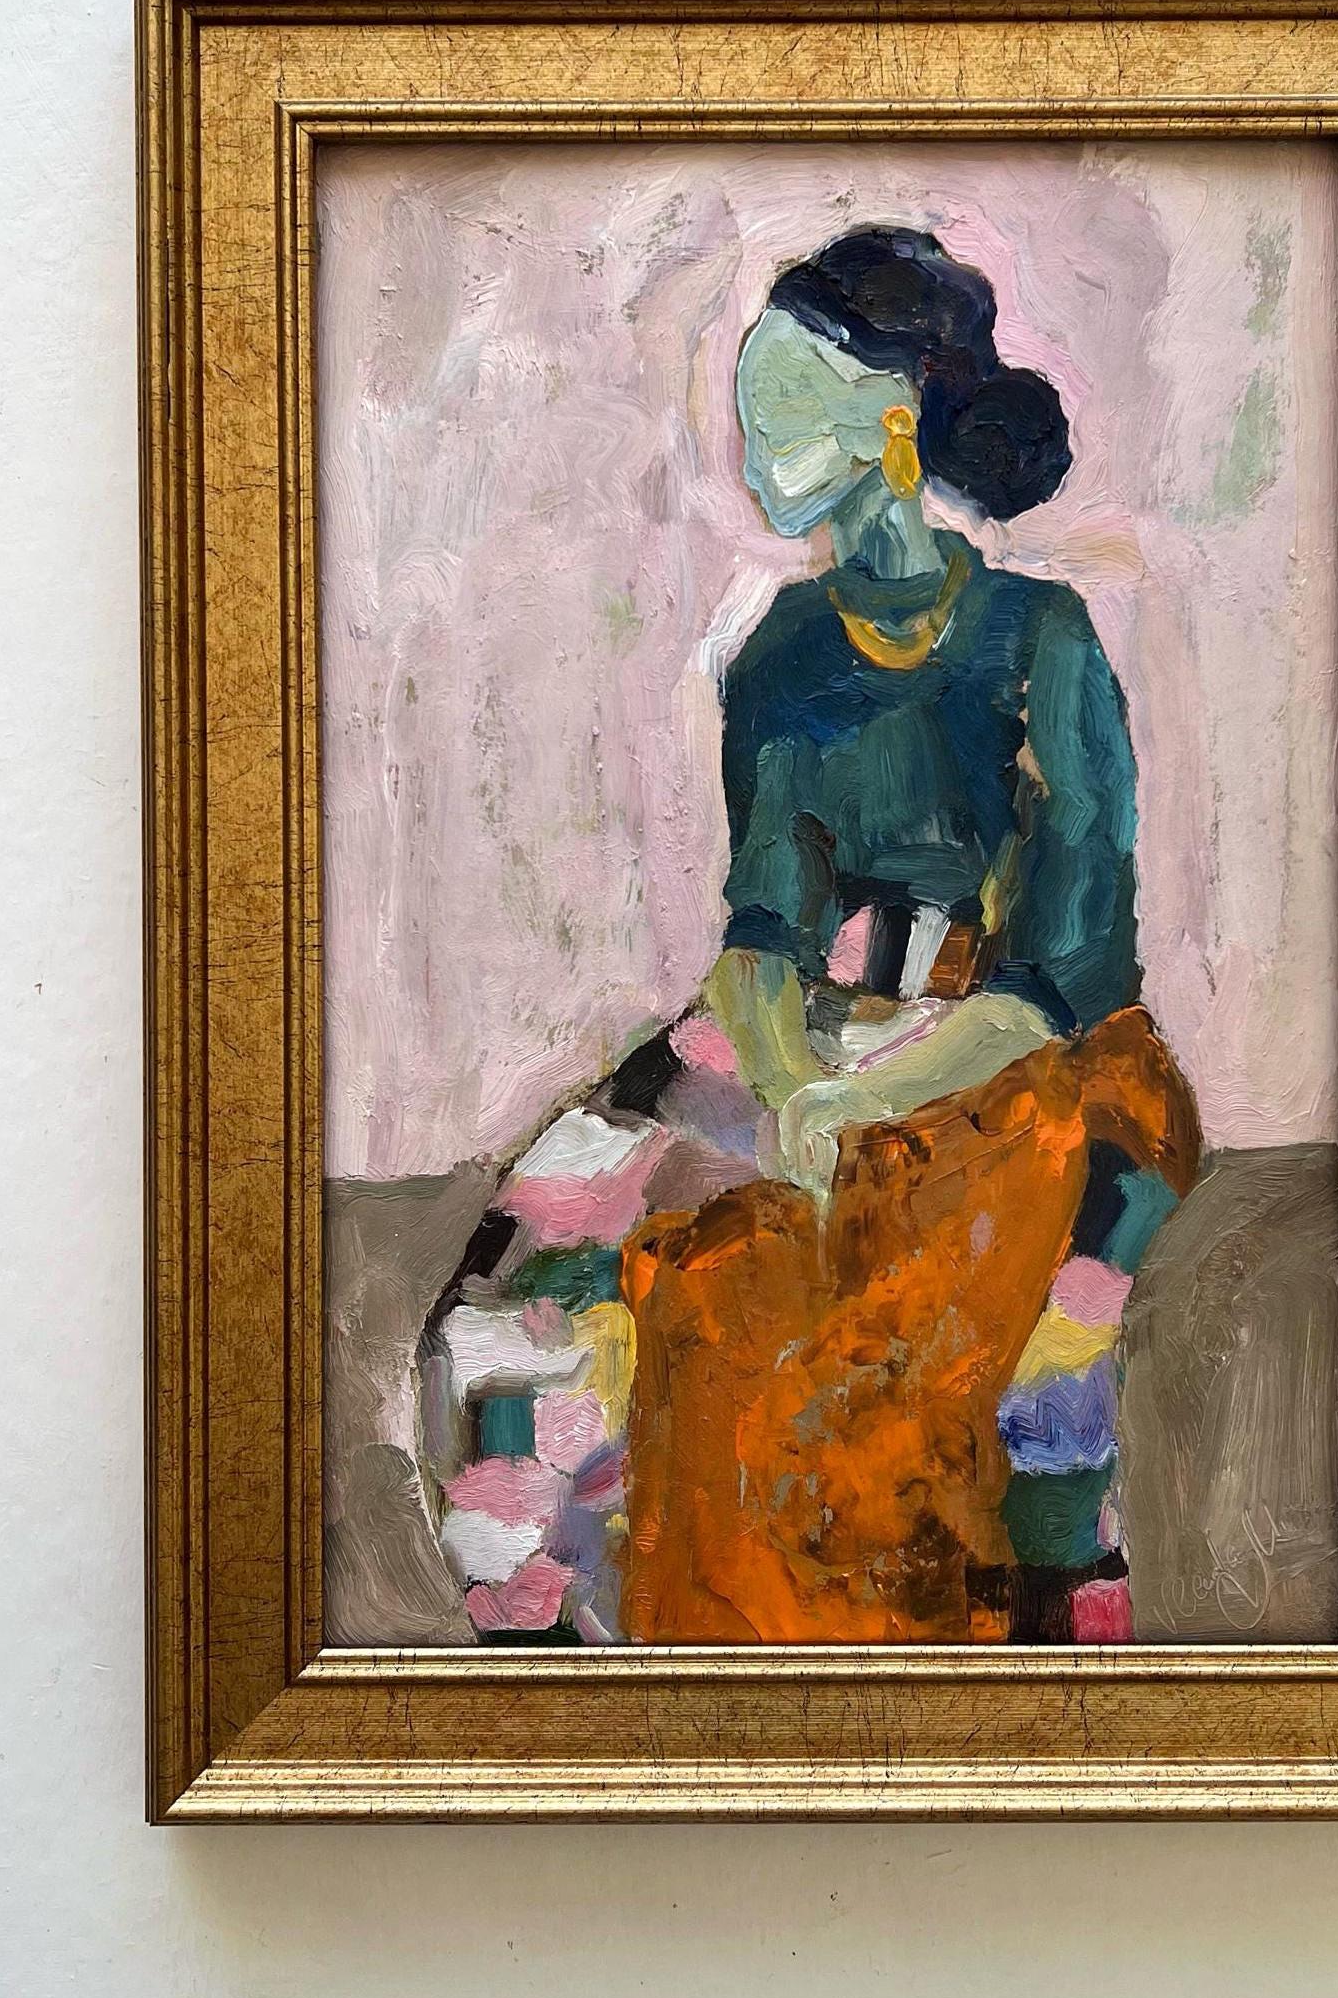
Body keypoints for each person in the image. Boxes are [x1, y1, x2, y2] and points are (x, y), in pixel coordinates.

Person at [419, 226, 1199, 1645]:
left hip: (1025, 1047)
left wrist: (862, 1097)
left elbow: (1065, 961)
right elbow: (763, 922)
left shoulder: (1042, 638)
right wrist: (787, 1081)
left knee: (836, 1309)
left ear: (891, 421)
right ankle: (554, 1641)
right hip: (817, 1025)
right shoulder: (783, 647)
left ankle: (964, 1623)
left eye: (783, 399)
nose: (749, 438)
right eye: (748, 398)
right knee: (541, 1257)